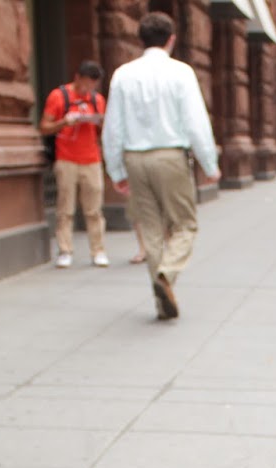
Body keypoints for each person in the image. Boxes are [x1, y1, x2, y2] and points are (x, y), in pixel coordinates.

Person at [101, 11, 220, 322]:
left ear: (141, 40)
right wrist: (209, 162)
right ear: (172, 39)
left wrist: (116, 170)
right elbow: (195, 122)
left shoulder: (123, 75)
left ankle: (160, 296)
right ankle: (167, 275)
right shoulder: (181, 72)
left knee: (151, 229)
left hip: (135, 159)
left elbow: (112, 127)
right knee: (184, 225)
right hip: (170, 156)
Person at [39, 59, 108, 269]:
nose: (88, 89)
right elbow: (44, 127)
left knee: (94, 209)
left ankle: (98, 250)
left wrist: (99, 121)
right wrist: (64, 122)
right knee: (65, 207)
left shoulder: (97, 100)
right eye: (85, 83)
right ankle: (65, 250)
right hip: (66, 158)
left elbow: (102, 130)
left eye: (92, 85)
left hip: (92, 159)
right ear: (77, 77)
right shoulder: (59, 96)